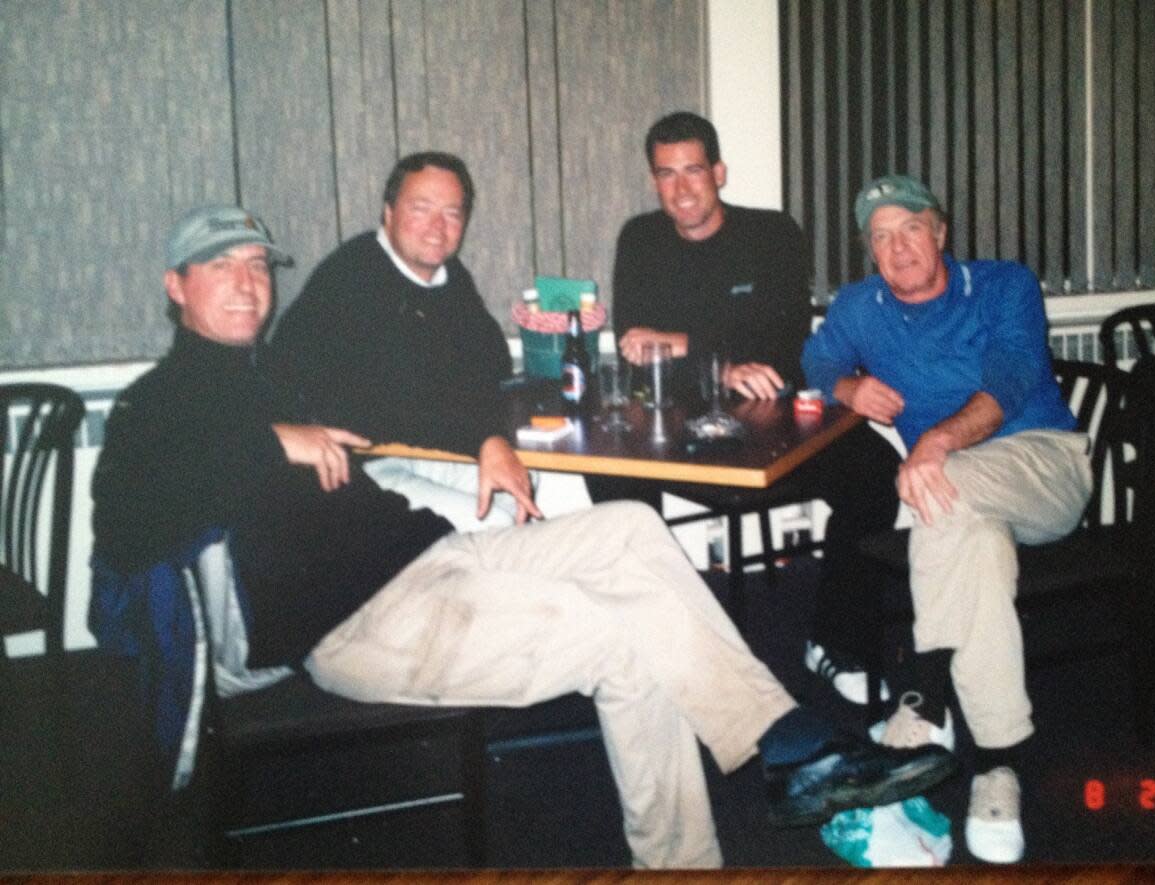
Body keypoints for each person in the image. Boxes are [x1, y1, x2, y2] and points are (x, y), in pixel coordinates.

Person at [90, 204, 956, 869]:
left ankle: (785, 743)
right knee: (622, 638)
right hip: (358, 623)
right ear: (176, 286)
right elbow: (129, 516)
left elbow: (417, 386)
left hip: (429, 554)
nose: (246, 282)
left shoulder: (270, 373)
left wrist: (478, 434)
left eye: (255, 265)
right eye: (218, 267)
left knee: (629, 530)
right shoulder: (157, 404)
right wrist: (275, 440)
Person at [801, 175, 1092, 864]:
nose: (897, 247)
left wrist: (932, 443)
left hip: (1042, 463)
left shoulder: (1001, 285)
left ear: (940, 232)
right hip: (956, 498)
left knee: (937, 487)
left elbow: (1014, 377)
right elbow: (816, 357)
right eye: (880, 237)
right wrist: (846, 385)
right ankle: (998, 762)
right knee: (970, 540)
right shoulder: (860, 304)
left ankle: (925, 700)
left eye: (910, 228)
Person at [600, 111, 902, 706]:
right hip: (673, 418)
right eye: (666, 174)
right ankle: (664, 647)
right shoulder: (639, 238)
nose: (682, 188)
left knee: (872, 473)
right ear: (653, 180)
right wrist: (721, 356)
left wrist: (685, 344)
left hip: (773, 418)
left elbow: (783, 341)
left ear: (719, 172)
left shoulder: (771, 233)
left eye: (694, 170)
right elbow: (635, 346)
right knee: (611, 481)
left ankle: (836, 640)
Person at [268, 152, 533, 531]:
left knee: (541, 485)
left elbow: (492, 362)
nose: (437, 227)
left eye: (452, 214)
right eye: (421, 209)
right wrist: (485, 438)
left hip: (419, 447)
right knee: (495, 520)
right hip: (352, 469)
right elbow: (400, 401)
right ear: (388, 213)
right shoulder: (353, 275)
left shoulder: (449, 276)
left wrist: (486, 437)